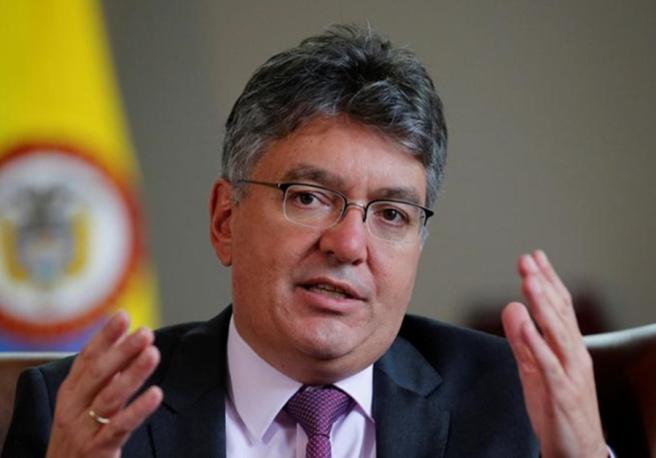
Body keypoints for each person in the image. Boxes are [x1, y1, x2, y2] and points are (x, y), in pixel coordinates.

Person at [2, 25, 608, 457]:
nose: (349, 245)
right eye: (310, 197)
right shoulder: (82, 414)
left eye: (391, 213)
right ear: (225, 220)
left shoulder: (512, 403)